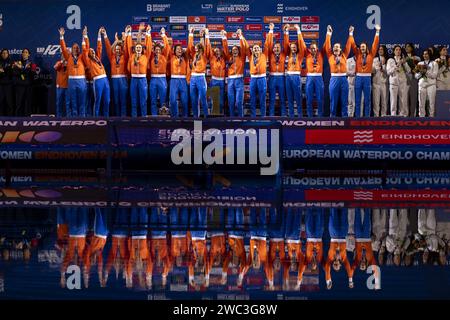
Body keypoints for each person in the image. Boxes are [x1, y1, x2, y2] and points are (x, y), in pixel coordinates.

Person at [349, 24, 381, 117]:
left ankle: (367, 118)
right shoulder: (357, 54)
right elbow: (353, 44)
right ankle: (358, 118)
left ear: (367, 48)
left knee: (367, 100)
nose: (362, 48)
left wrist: (377, 32)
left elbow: (375, 44)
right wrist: (351, 33)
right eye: (361, 47)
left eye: (364, 47)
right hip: (358, 78)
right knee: (357, 100)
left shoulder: (371, 55)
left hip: (367, 78)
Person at [59, 27, 87, 117]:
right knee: (73, 100)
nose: (75, 49)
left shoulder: (82, 57)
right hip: (71, 81)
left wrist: (84, 36)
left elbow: (85, 49)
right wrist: (61, 36)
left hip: (81, 81)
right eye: (74, 48)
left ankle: (82, 117)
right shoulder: (68, 57)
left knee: (82, 100)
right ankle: (75, 118)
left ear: (79, 49)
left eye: (77, 48)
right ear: (71, 49)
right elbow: (63, 48)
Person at [325, 25, 352, 117]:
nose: (335, 48)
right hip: (334, 80)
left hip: (344, 80)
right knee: (333, 101)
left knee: (344, 101)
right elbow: (327, 45)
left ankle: (345, 119)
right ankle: (332, 119)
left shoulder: (344, 55)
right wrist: (329, 33)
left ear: (340, 49)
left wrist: (350, 33)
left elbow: (349, 45)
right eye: (334, 47)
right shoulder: (330, 56)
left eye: (337, 47)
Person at [299, 25, 326, 117]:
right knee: (309, 98)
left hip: (319, 78)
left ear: (317, 48)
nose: (313, 49)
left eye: (314, 48)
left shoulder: (321, 54)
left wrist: (328, 33)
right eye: (312, 48)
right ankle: (310, 116)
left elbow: (326, 44)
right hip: (309, 78)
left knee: (319, 99)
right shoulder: (307, 54)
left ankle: (320, 116)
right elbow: (302, 44)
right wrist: (299, 31)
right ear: (310, 49)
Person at [126, 23, 152, 117]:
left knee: (143, 100)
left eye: (140, 47)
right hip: (133, 80)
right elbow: (130, 44)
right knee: (133, 100)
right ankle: (134, 118)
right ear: (134, 49)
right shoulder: (131, 56)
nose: (138, 48)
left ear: (142, 49)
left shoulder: (145, 56)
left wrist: (147, 33)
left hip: (142, 80)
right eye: (136, 47)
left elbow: (148, 46)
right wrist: (129, 34)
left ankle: (144, 118)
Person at [83, 27, 111, 117]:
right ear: (88, 54)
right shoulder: (88, 61)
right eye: (91, 51)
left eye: (93, 50)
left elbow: (99, 47)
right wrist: (85, 36)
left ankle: (106, 118)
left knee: (107, 100)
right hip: (97, 81)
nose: (93, 51)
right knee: (98, 100)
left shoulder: (97, 58)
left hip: (105, 80)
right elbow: (85, 49)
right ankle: (96, 119)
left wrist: (99, 34)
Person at [325, 209, 353, 289]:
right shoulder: (344, 259)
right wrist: (350, 281)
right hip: (343, 233)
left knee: (333, 211)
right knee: (344, 213)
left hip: (333, 234)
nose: (335, 264)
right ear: (340, 265)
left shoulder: (330, 258)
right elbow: (348, 268)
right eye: (337, 265)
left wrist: (328, 281)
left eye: (334, 265)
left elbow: (327, 268)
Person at [103, 28, 129, 117]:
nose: (117, 50)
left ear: (121, 50)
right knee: (116, 101)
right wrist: (108, 37)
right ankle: (117, 118)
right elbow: (108, 48)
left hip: (123, 80)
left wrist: (125, 38)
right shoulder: (112, 57)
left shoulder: (124, 56)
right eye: (116, 49)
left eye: (119, 49)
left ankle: (123, 117)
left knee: (123, 100)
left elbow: (126, 48)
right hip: (114, 80)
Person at [223, 29, 248, 117]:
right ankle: (232, 118)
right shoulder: (228, 57)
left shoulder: (242, 57)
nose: (234, 50)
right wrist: (224, 37)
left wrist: (240, 36)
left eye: (236, 49)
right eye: (233, 49)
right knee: (231, 101)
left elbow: (244, 47)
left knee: (239, 101)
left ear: (238, 50)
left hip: (239, 80)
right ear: (231, 51)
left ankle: (241, 118)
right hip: (230, 81)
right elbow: (225, 49)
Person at [245, 31, 269, 117]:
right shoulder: (250, 56)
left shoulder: (264, 55)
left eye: (258, 48)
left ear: (260, 50)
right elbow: (246, 45)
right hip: (253, 79)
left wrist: (270, 30)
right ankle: (253, 116)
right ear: (252, 50)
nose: (256, 49)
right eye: (254, 48)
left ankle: (263, 116)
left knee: (263, 99)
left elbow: (267, 44)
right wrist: (240, 36)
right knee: (252, 99)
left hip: (262, 79)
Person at [165, 34, 190, 117]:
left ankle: (185, 117)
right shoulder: (171, 57)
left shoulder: (185, 58)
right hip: (173, 81)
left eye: (180, 49)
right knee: (172, 100)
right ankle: (174, 117)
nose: (179, 50)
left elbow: (189, 48)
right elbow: (167, 49)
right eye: (177, 49)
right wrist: (164, 36)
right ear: (174, 51)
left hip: (183, 81)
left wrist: (190, 34)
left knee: (184, 101)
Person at [265, 23, 287, 116]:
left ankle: (283, 117)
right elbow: (268, 44)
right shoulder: (270, 54)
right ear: (273, 48)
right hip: (272, 78)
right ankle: (271, 116)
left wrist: (285, 32)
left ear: (280, 48)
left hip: (281, 78)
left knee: (282, 98)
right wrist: (271, 30)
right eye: (275, 47)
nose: (276, 48)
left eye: (278, 47)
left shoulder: (284, 53)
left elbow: (286, 43)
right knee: (272, 99)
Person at [298, 209, 324, 288]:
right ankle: (319, 205)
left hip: (309, 236)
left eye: (312, 265)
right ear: (316, 264)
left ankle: (309, 205)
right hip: (318, 235)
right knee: (319, 217)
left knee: (308, 218)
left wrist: (299, 280)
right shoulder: (320, 259)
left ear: (310, 265)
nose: (313, 264)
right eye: (314, 265)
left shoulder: (307, 260)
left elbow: (302, 268)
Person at [187, 27, 209, 117]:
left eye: (198, 47)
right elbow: (189, 46)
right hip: (193, 78)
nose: (196, 49)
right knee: (194, 100)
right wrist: (191, 34)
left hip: (201, 77)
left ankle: (206, 118)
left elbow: (204, 46)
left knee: (203, 99)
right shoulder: (193, 55)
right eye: (195, 47)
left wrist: (203, 36)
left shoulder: (204, 55)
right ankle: (196, 119)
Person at [149, 28, 170, 116]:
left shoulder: (164, 56)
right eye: (156, 50)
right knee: (153, 100)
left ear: (161, 51)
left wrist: (163, 35)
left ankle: (163, 117)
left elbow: (167, 46)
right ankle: (154, 117)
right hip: (153, 79)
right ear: (153, 50)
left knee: (163, 101)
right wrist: (148, 33)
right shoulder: (151, 57)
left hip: (162, 79)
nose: (157, 51)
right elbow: (148, 45)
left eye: (159, 50)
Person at [206, 30, 227, 115]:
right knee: (213, 101)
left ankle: (220, 118)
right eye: (216, 51)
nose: (217, 52)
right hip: (214, 80)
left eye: (219, 51)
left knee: (221, 102)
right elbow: (208, 47)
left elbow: (225, 48)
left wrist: (224, 37)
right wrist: (207, 35)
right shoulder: (212, 58)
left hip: (222, 81)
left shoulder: (224, 58)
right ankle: (213, 117)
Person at [387, 45, 411, 116]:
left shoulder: (403, 60)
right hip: (393, 83)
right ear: (394, 51)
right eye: (396, 50)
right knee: (393, 101)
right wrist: (396, 66)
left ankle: (402, 115)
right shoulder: (390, 60)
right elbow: (388, 72)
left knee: (402, 100)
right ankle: (393, 116)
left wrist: (404, 63)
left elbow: (409, 71)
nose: (398, 51)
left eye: (399, 50)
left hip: (402, 82)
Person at [11, 48, 36, 116]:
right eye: (23, 52)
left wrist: (21, 69)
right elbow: (15, 73)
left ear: (29, 54)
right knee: (19, 103)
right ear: (22, 54)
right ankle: (17, 119)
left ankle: (27, 118)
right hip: (19, 86)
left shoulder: (32, 64)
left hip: (28, 86)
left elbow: (32, 74)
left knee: (28, 102)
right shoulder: (17, 63)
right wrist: (24, 70)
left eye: (26, 52)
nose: (24, 53)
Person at [415, 49, 439, 117]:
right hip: (422, 85)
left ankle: (431, 117)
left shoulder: (434, 63)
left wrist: (426, 71)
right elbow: (416, 76)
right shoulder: (420, 63)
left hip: (431, 85)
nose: (425, 55)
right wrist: (420, 73)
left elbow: (434, 75)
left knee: (431, 103)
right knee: (421, 103)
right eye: (424, 54)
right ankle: (421, 117)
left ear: (429, 55)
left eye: (426, 54)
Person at [372, 45, 389, 117]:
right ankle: (376, 117)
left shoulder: (388, 60)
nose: (380, 50)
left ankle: (383, 116)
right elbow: (372, 71)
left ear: (384, 50)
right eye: (379, 49)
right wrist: (376, 68)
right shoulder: (374, 59)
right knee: (376, 102)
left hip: (385, 83)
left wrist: (383, 69)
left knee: (384, 102)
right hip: (376, 83)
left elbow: (389, 72)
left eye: (382, 49)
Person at [405, 43, 421, 117]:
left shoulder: (417, 58)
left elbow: (418, 69)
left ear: (412, 48)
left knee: (413, 98)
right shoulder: (403, 58)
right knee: (405, 99)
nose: (407, 48)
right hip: (405, 80)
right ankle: (405, 116)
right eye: (406, 47)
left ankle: (412, 116)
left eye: (408, 46)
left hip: (414, 79)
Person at [0, 49, 14, 116]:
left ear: (8, 54)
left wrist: (3, 70)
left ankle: (10, 117)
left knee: (9, 102)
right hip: (0, 85)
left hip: (9, 84)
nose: (4, 54)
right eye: (3, 53)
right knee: (0, 101)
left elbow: (11, 73)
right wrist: (5, 71)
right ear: (1, 54)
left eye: (6, 53)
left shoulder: (11, 62)